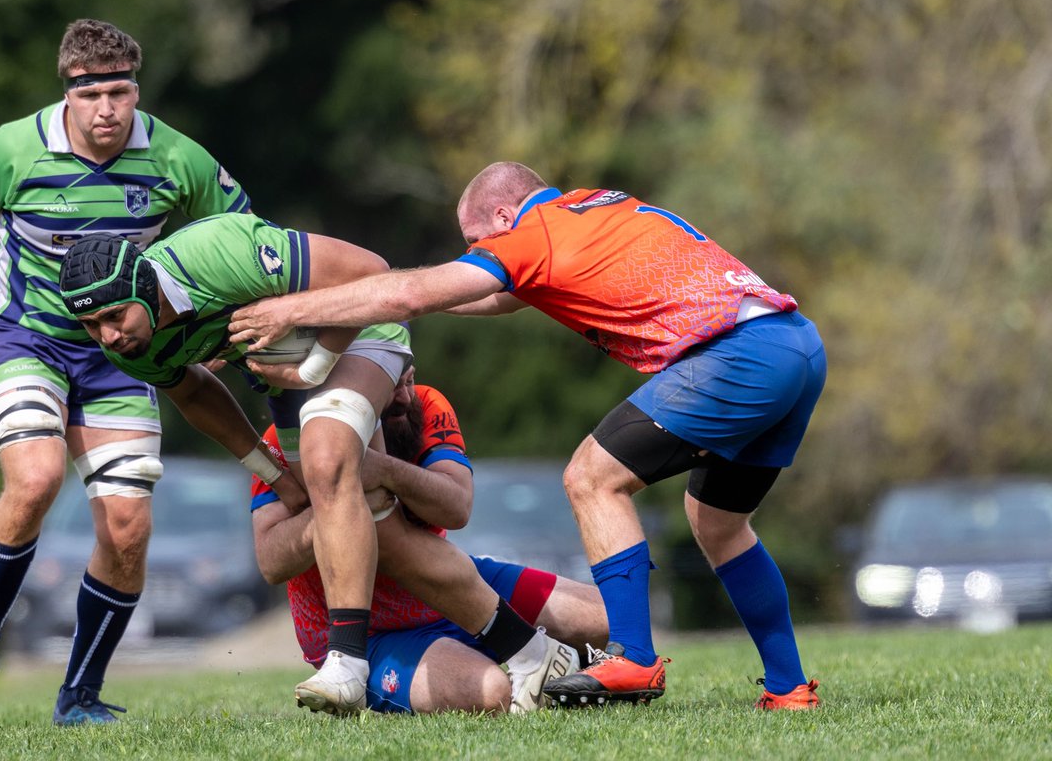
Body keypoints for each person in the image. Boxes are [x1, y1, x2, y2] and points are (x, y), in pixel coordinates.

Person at [229, 162, 828, 711]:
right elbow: (488, 297)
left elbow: (410, 290)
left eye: (476, 245)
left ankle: (633, 663)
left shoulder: (528, 236)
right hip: (795, 342)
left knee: (591, 478)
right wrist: (415, 306)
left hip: (734, 355)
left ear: (500, 218)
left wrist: (292, 310)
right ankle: (788, 686)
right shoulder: (595, 208)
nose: (478, 257)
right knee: (719, 524)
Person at [57, 214, 580, 715]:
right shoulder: (129, 342)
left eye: (113, 316)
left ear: (145, 287)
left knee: (329, 461)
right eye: (90, 324)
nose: (107, 336)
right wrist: (275, 476)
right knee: (379, 524)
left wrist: (313, 358)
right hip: (288, 374)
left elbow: (372, 272)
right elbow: (197, 395)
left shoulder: (219, 254)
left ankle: (347, 662)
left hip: (362, 327)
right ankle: (530, 652)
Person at [0, 19, 255, 727]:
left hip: (121, 350)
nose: (108, 109)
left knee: (127, 527)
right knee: (35, 479)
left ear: (136, 90)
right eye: (92, 93)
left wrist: (218, 324)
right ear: (67, 92)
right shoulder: (10, 149)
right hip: (24, 336)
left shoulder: (173, 156)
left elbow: (241, 232)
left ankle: (80, 696)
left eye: (121, 92)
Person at [252, 364, 608, 714]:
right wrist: (337, 504)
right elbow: (271, 562)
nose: (405, 397)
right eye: (390, 387)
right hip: (373, 631)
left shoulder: (425, 404)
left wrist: (385, 471)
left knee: (609, 622)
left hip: (453, 588)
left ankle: (567, 664)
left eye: (409, 379)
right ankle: (356, 669)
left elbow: (457, 507)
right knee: (491, 694)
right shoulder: (286, 442)